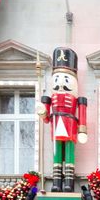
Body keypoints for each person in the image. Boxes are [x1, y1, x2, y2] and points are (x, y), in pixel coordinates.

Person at [37, 47, 88, 192]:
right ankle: (56, 182)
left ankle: (69, 183)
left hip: (70, 124)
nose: (61, 83)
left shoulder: (78, 99)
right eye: (57, 78)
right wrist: (42, 112)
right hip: (56, 124)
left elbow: (82, 114)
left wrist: (82, 130)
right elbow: (46, 118)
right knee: (56, 154)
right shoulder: (49, 98)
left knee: (70, 154)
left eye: (65, 78)